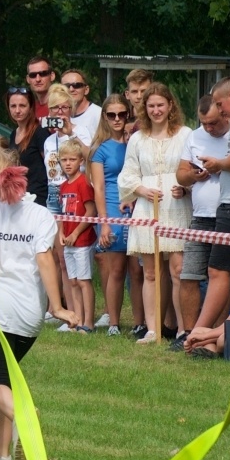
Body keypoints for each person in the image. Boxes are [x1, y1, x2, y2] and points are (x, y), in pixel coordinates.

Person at [0, 148, 76, 460]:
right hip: (30, 315)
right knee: (7, 382)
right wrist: (55, 307)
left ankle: (28, 424)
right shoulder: (41, 214)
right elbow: (46, 260)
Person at [118, 83, 192, 344]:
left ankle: (184, 329)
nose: (156, 110)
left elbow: (195, 170)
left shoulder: (185, 135)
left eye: (161, 105)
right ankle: (153, 329)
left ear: (170, 105)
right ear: (144, 109)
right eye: (151, 106)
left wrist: (186, 188)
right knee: (150, 271)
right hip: (148, 206)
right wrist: (141, 189)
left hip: (177, 205)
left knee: (178, 268)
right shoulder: (137, 139)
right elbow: (127, 174)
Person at [185, 79, 230, 339]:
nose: (219, 110)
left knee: (217, 271)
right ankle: (218, 333)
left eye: (219, 103)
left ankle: (198, 333)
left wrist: (218, 164)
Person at [177, 95, 230, 340]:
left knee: (225, 278)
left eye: (213, 123)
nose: (208, 128)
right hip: (200, 216)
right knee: (189, 275)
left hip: (229, 215)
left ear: (224, 114)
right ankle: (190, 333)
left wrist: (220, 166)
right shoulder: (195, 136)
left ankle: (217, 335)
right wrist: (193, 177)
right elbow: (181, 174)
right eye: (204, 123)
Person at [89, 93, 140, 337]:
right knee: (116, 269)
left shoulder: (135, 142)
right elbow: (97, 187)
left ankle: (141, 322)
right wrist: (104, 224)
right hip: (110, 210)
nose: (117, 119)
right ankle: (113, 323)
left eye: (122, 114)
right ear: (105, 117)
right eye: (112, 114)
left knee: (138, 269)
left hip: (136, 208)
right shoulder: (99, 150)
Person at [56, 138, 98, 332]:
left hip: (82, 240)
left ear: (80, 160)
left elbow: (91, 212)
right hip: (68, 241)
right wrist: (62, 234)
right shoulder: (63, 186)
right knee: (73, 281)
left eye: (72, 159)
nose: (68, 164)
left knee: (83, 281)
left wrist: (75, 232)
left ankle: (88, 322)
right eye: (64, 160)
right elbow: (62, 214)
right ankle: (77, 320)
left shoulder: (83, 183)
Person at [39, 84, 78, 214]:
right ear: (49, 111)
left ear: (71, 109)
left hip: (73, 190)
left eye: (64, 107)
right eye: (55, 107)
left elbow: (87, 157)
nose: (59, 111)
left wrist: (70, 133)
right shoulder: (48, 140)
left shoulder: (80, 131)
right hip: (52, 192)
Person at [7, 87, 49, 204]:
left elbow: (52, 166)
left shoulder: (40, 132)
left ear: (31, 107)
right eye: (13, 106)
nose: (17, 110)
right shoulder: (13, 134)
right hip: (20, 196)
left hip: (39, 197)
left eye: (22, 105)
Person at [62, 69, 101, 143]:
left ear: (86, 90)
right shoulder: (60, 114)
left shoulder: (98, 114)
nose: (71, 89)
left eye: (76, 85)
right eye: (66, 86)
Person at [123, 69, 155, 136]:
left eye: (143, 91)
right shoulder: (120, 117)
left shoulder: (160, 116)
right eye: (134, 91)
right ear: (127, 95)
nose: (139, 96)